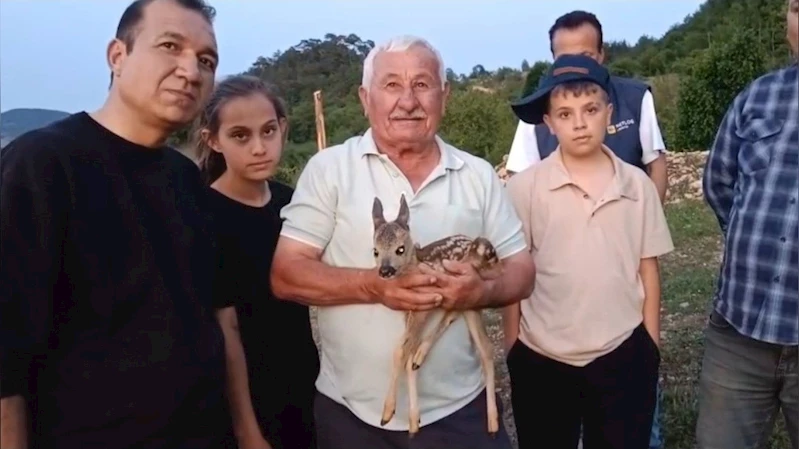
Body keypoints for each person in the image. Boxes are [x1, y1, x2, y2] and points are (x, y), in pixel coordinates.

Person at [269, 35, 536, 449]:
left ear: (444, 96)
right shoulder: (329, 170)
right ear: (365, 98)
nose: (407, 101)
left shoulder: (478, 175)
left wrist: (482, 291)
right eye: (391, 84)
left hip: (460, 415)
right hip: (352, 417)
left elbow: (521, 271)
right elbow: (286, 274)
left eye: (422, 84)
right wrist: (374, 286)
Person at [0, 1, 228, 448]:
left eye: (206, 60)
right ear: (117, 56)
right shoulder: (43, 164)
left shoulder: (185, 178)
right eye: (170, 46)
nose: (191, 71)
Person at [503, 11, 670, 448]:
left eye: (590, 110)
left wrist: (649, 347)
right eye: (565, 113)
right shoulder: (523, 189)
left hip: (623, 352)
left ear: (608, 112)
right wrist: (514, 346)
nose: (579, 123)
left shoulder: (637, 186)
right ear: (548, 122)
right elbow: (515, 272)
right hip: (542, 357)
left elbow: (647, 269)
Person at [195, 74, 320, 449]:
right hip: (249, 399)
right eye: (240, 136)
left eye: (268, 131)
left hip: (306, 384)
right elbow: (226, 326)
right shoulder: (203, 215)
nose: (259, 148)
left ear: (283, 128)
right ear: (213, 140)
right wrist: (247, 430)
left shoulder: (293, 204)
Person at [695, 1, 799, 448]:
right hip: (739, 330)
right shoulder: (758, 96)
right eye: (797, 9)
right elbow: (719, 183)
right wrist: (753, 246)